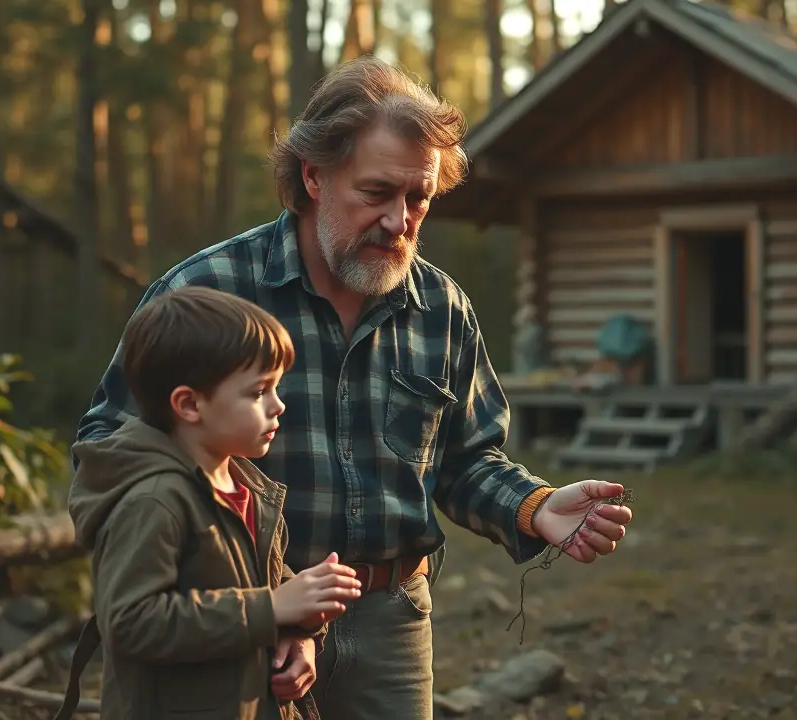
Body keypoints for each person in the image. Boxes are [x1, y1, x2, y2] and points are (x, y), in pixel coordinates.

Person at [76, 56, 635, 719]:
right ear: (313, 175)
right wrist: (253, 601)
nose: (400, 220)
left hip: (390, 623)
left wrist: (535, 507)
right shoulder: (208, 293)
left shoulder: (442, 308)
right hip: (240, 620)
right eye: (377, 193)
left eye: (419, 198)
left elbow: (465, 460)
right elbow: (109, 452)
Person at [57, 286, 363, 720]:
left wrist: (299, 624)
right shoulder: (153, 500)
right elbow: (132, 623)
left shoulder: (242, 481)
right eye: (258, 392)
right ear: (189, 404)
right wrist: (272, 607)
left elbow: (249, 578)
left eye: (276, 387)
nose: (279, 406)